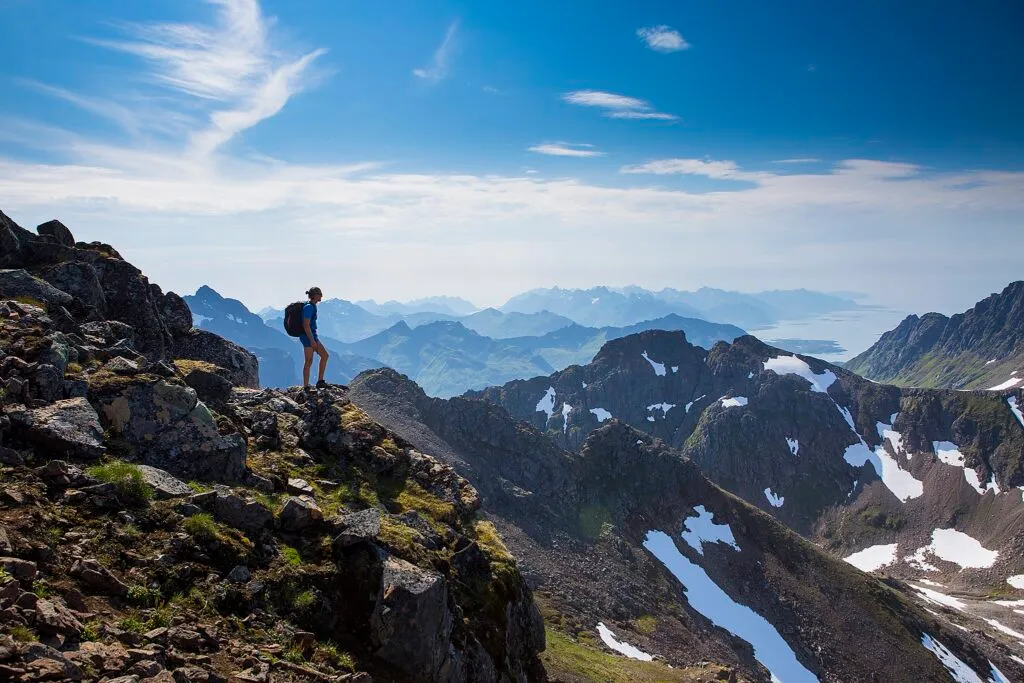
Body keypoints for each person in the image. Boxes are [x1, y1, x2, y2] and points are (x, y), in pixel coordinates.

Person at [300, 287, 329, 388]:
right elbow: (306, 325)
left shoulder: (312, 306)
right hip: (308, 337)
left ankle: (320, 381)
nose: (322, 295)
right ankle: (306, 386)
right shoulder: (308, 307)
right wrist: (312, 340)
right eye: (320, 293)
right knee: (309, 360)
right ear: (315, 295)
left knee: (324, 356)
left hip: (312, 336)